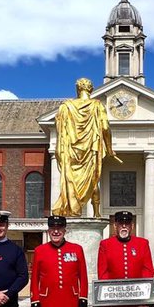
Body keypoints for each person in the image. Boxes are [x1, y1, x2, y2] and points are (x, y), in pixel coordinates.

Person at [53, 77, 119, 216]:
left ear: (78, 89)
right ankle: (96, 213)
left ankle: (70, 209)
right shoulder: (97, 105)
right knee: (93, 180)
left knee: (71, 180)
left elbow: (60, 131)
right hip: (90, 151)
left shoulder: (66, 107)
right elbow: (106, 128)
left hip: (70, 152)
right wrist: (109, 148)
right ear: (91, 89)